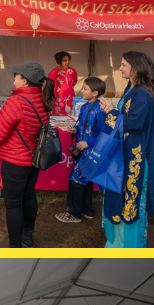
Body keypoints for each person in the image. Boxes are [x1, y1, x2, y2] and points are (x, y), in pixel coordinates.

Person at [0, 61, 54, 248]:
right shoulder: (43, 98)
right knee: (29, 196)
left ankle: (15, 245)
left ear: (24, 81)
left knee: (13, 204)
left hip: (15, 161)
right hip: (34, 159)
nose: (14, 77)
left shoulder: (16, 102)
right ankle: (27, 237)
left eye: (17, 75)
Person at [97, 51, 154, 248]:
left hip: (136, 158)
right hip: (125, 155)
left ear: (136, 67)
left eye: (123, 64)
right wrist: (111, 112)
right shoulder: (132, 89)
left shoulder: (142, 93)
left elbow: (135, 123)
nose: (120, 68)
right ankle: (115, 242)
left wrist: (112, 113)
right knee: (118, 195)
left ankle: (128, 246)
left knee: (130, 202)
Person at [56, 77, 106, 223]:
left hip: (90, 153)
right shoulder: (84, 107)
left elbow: (105, 135)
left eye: (85, 89)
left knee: (75, 179)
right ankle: (87, 210)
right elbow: (82, 127)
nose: (81, 91)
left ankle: (74, 213)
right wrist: (75, 130)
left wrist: (88, 143)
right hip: (79, 151)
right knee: (86, 180)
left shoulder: (101, 111)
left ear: (95, 92)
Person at [50, 51, 78, 116]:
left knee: (71, 115)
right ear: (59, 62)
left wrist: (69, 87)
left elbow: (75, 81)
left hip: (70, 95)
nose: (68, 62)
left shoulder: (72, 70)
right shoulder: (54, 72)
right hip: (59, 97)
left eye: (68, 60)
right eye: (65, 60)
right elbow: (50, 84)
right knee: (59, 115)